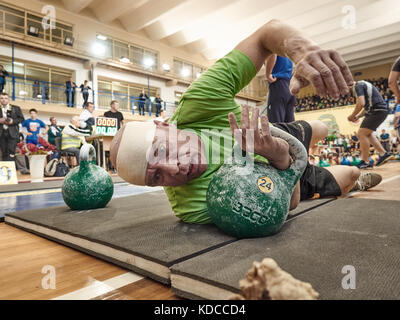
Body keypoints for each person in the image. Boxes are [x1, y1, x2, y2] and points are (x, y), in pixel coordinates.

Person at [110, 19, 382, 225]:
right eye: (157, 177)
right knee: (350, 175)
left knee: (322, 128)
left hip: (269, 134)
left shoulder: (197, 102)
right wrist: (280, 158)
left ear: (166, 126)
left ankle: (303, 130)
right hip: (278, 175)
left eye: (162, 150)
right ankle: (348, 180)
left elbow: (267, 33)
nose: (174, 168)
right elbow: (286, 206)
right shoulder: (191, 206)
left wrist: (302, 51)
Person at [348, 81, 391, 169]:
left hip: (377, 111)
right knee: (368, 133)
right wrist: (358, 116)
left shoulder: (358, 86)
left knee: (361, 134)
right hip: (378, 110)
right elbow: (367, 106)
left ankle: (365, 161)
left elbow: (361, 103)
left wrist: (352, 116)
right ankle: (383, 154)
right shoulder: (363, 84)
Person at [265, 54, 296, 123]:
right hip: (290, 84)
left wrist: (268, 74)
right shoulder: (287, 47)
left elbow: (272, 54)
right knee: (290, 125)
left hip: (278, 83)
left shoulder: (275, 44)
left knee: (276, 124)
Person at [0, 92, 24, 161]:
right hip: (1, 133)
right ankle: (4, 170)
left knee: (11, 152)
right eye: (1, 98)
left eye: (5, 98)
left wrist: (12, 121)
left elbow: (21, 119)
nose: (3, 100)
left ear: (8, 99)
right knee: (4, 152)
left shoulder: (16, 108)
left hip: (12, 133)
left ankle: (11, 169)